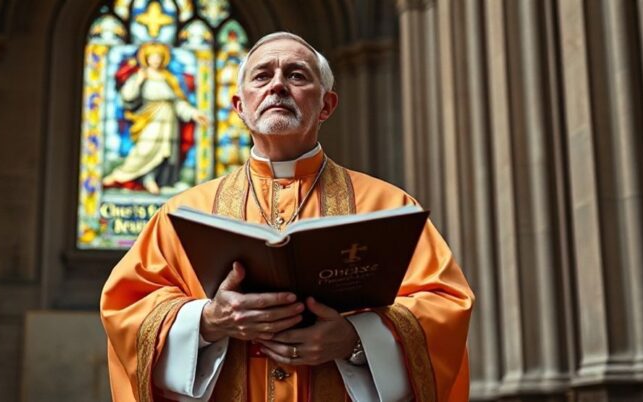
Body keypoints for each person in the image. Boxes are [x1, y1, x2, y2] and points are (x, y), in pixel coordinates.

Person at [100, 32, 474, 402]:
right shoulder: (180, 214)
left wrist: (355, 340)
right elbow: (128, 310)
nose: (277, 85)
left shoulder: (389, 206)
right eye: (262, 76)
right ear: (239, 106)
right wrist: (210, 321)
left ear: (326, 106)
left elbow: (443, 305)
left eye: (296, 75)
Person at [103, 42, 208, 194]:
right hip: (150, 119)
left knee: (165, 153)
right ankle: (120, 175)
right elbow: (127, 96)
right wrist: (138, 81)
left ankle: (151, 180)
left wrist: (193, 113)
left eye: (159, 57)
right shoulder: (141, 75)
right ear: (146, 59)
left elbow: (177, 102)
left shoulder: (168, 78)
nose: (156, 60)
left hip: (169, 121)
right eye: (152, 57)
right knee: (145, 150)